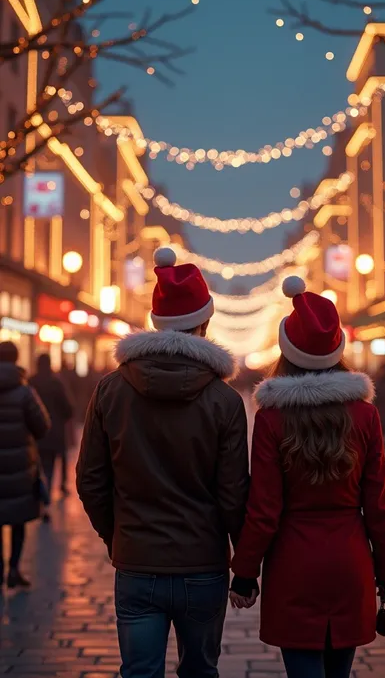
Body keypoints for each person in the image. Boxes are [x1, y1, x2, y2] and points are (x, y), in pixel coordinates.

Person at [77, 247, 249, 678]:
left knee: (139, 672)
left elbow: (90, 479)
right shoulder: (224, 401)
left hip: (136, 559)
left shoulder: (110, 390)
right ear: (205, 323)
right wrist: (245, 561)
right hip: (203, 563)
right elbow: (233, 494)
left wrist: (115, 535)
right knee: (200, 671)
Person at [230, 277, 385, 678]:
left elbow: (264, 507)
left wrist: (244, 572)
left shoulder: (272, 418)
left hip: (293, 563)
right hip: (350, 560)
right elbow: (379, 504)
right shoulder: (364, 415)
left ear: (286, 351)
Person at [0, 341, 50, 589]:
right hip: (20, 466)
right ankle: (14, 570)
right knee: (17, 520)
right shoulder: (24, 391)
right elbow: (42, 426)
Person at [30, 354, 73, 506]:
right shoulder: (56, 383)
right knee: (51, 464)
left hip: (35, 434)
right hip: (54, 432)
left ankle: (41, 495)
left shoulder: (31, 382)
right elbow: (68, 409)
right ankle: (49, 494)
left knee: (39, 465)